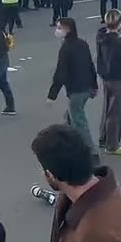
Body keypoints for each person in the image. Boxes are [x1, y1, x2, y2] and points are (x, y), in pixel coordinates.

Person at [48, 17, 99, 162]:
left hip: (76, 90)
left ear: (67, 30)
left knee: (79, 121)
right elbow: (90, 65)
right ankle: (65, 144)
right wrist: (94, 86)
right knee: (70, 118)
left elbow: (61, 73)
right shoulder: (82, 44)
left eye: (59, 28)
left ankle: (91, 152)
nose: (56, 30)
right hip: (86, 88)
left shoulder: (66, 48)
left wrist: (52, 95)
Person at [94, 9, 121, 157]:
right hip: (118, 78)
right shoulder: (118, 44)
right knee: (116, 112)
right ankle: (112, 145)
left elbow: (112, 39)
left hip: (105, 76)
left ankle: (103, 138)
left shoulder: (101, 37)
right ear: (120, 23)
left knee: (107, 108)